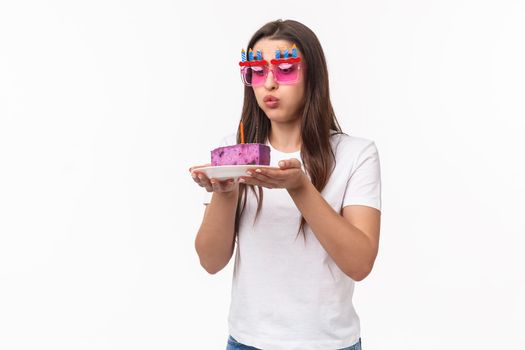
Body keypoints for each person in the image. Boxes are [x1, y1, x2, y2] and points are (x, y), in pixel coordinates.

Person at [189, 19, 381, 350]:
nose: (270, 83)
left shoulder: (355, 154)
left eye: (286, 68)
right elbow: (211, 261)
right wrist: (225, 192)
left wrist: (300, 187)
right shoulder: (235, 151)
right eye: (258, 72)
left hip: (330, 344)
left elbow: (360, 263)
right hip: (248, 342)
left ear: (313, 76)